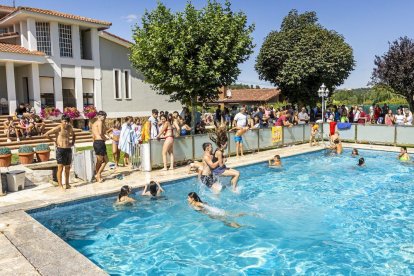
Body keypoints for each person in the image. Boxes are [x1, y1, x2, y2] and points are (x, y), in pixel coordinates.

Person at [45, 115, 75, 190]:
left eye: (68, 121)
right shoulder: (58, 128)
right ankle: (60, 185)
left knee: (67, 168)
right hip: (60, 150)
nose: (66, 123)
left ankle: (67, 184)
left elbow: (74, 135)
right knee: (60, 168)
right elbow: (46, 134)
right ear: (61, 121)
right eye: (65, 121)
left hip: (68, 149)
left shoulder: (69, 127)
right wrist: (54, 141)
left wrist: (73, 142)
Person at [210, 125, 240, 192]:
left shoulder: (220, 150)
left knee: (237, 172)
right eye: (226, 143)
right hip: (218, 170)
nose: (227, 144)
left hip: (221, 168)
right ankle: (234, 189)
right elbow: (221, 165)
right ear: (222, 144)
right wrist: (224, 160)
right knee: (236, 174)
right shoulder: (219, 152)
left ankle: (231, 185)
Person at [92, 111, 108, 183]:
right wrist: (106, 138)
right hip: (100, 142)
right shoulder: (100, 122)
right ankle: (98, 174)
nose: (104, 117)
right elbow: (101, 133)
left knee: (99, 161)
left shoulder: (94, 123)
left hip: (96, 142)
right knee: (105, 160)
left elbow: (95, 134)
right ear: (99, 116)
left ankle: (97, 175)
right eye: (103, 116)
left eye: (105, 116)